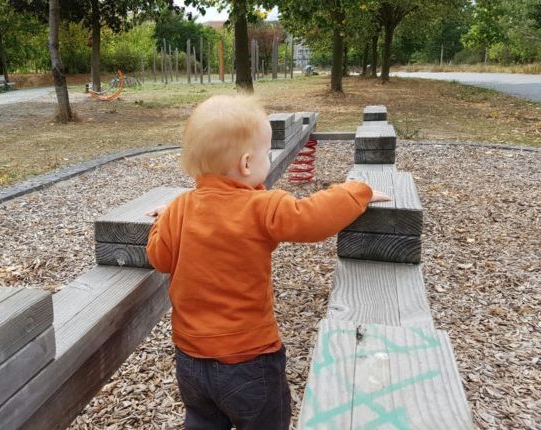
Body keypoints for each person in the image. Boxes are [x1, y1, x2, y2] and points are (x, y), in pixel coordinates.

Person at [146, 95, 390, 430]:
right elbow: (311, 218)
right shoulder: (261, 206)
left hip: (191, 362)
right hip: (249, 360)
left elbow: (159, 258)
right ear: (247, 164)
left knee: (202, 422)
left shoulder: (179, 208)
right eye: (266, 154)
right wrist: (353, 192)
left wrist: (164, 221)